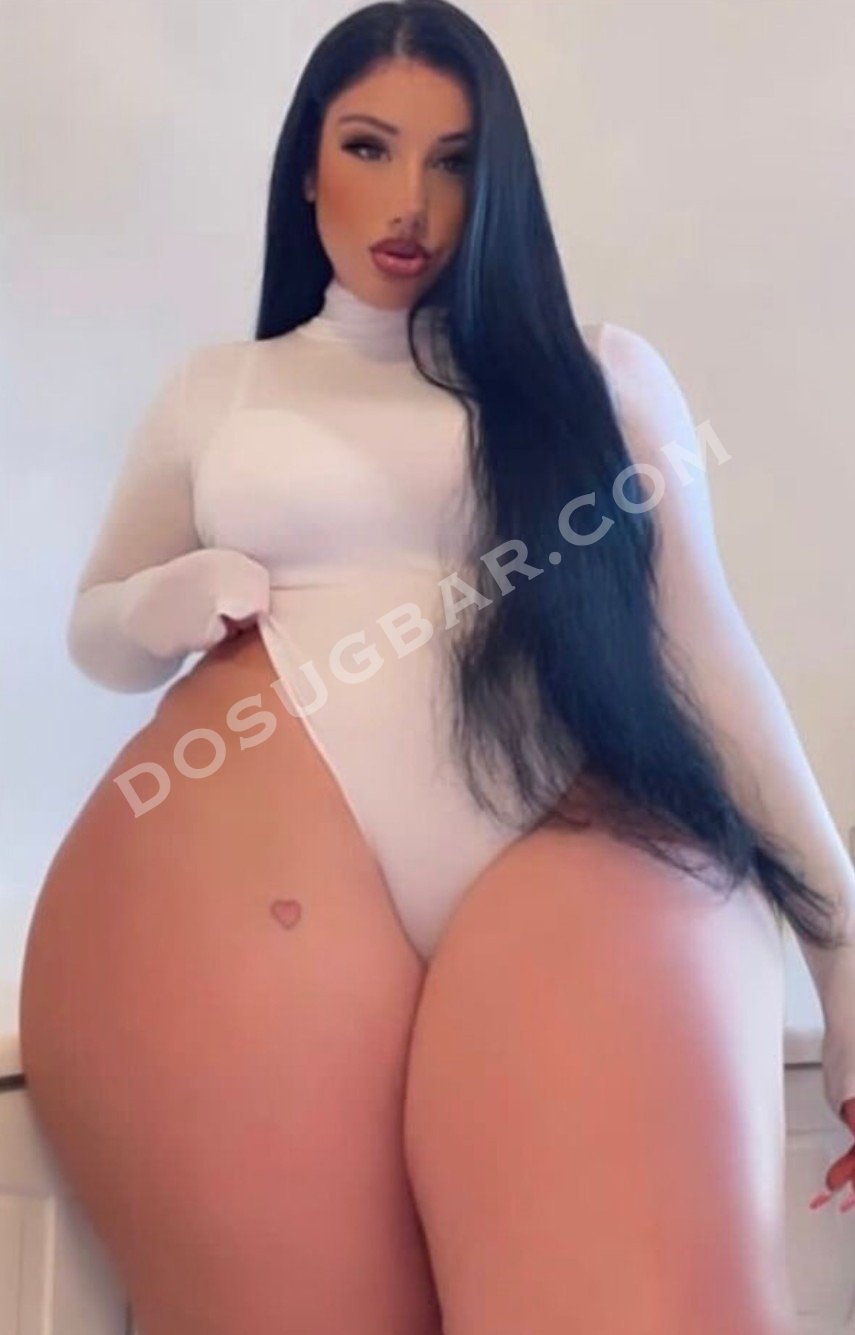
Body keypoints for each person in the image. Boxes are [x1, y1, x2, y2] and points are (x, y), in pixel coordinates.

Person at [18, 1, 855, 1331]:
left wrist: (842, 937)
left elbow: (708, 655)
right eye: (370, 147)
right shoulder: (221, 390)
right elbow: (94, 630)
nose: (410, 200)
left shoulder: (598, 380)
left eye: (455, 161)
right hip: (246, 890)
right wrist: (165, 601)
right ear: (308, 167)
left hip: (572, 879)